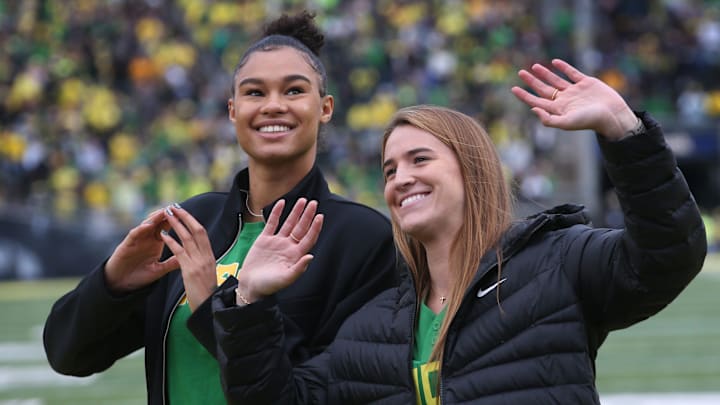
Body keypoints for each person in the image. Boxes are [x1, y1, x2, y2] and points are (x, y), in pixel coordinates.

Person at [210, 58, 707, 404]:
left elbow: (665, 258)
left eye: (419, 159)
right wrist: (250, 301)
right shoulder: (376, 324)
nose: (401, 178)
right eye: (389, 171)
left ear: (470, 170)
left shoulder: (554, 264)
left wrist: (624, 131)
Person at [42, 11, 397, 405]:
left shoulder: (363, 239)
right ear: (232, 111)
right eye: (255, 92)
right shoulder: (192, 224)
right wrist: (113, 282)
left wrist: (216, 304)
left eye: (294, 91)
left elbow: (327, 391)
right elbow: (68, 355)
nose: (273, 105)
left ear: (325, 107)